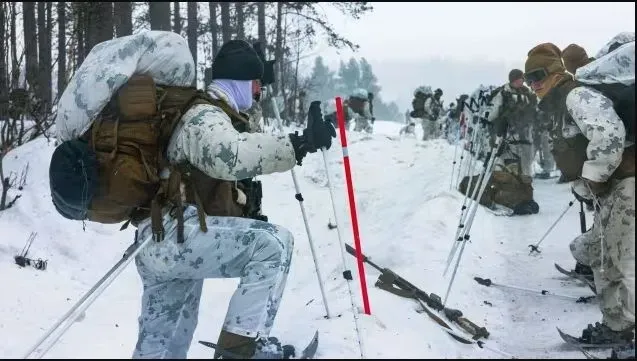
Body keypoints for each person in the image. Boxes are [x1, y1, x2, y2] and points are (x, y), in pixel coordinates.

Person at [50, 33, 336, 359]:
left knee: (166, 344)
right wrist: (298, 145)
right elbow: (231, 155)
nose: (260, 92)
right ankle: (242, 351)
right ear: (240, 81)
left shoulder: (209, 112)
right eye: (256, 84)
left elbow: (241, 135)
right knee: (274, 245)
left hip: (159, 243)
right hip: (176, 237)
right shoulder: (202, 115)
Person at [524, 42, 634, 346]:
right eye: (528, 79)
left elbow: (610, 134)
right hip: (613, 187)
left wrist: (594, 177)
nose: (533, 85)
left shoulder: (577, 95)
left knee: (620, 261)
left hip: (626, 183)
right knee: (607, 259)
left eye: (537, 76)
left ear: (554, 73)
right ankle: (618, 327)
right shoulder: (561, 101)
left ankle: (625, 333)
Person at [480, 69, 540, 214]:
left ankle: (526, 197)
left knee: (526, 170)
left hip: (526, 136)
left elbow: (536, 110)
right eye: (518, 79)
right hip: (508, 138)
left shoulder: (529, 94)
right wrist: (488, 123)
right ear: (512, 80)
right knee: (510, 168)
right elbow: (492, 113)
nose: (520, 81)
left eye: (522, 79)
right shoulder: (503, 93)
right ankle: (511, 199)